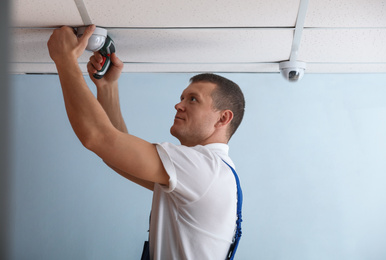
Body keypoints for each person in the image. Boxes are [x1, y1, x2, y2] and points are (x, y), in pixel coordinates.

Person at [47, 25, 245, 260]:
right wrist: (107, 86)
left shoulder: (203, 167)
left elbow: (98, 138)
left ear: (223, 118)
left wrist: (65, 60)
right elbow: (116, 155)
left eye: (193, 100)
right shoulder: (208, 172)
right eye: (182, 97)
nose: (178, 105)